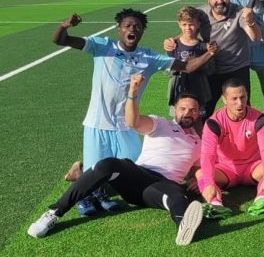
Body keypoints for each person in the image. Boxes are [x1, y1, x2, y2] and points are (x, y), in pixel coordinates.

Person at [53, 9, 215, 215]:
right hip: (97, 121)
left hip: (127, 124)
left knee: (132, 170)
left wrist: (209, 53)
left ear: (142, 31)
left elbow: (187, 66)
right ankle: (86, 194)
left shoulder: (148, 57)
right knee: (96, 175)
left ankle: (88, 178)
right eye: (128, 25)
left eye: (137, 26)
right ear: (119, 29)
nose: (132, 29)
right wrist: (64, 26)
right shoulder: (102, 46)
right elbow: (60, 40)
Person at [28, 75, 205, 246]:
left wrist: (198, 178)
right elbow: (133, 121)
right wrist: (132, 94)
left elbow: (197, 167)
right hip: (139, 175)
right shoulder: (161, 124)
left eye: (193, 110)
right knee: (109, 164)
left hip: (160, 188)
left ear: (198, 113)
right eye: (183, 108)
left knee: (177, 196)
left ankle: (183, 226)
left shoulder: (199, 142)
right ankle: (53, 213)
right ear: (175, 109)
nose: (188, 113)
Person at [166, 0, 261, 114]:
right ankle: (205, 135)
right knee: (204, 111)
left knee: (241, 110)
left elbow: (255, 37)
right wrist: (173, 40)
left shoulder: (239, 12)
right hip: (209, 70)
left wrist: (250, 21)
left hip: (236, 70)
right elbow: (189, 29)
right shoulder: (201, 13)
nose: (220, 1)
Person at [195, 79, 264, 218]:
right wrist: (209, 183)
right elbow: (208, 155)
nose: (240, 103)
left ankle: (262, 199)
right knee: (201, 174)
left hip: (253, 167)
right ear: (224, 100)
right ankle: (215, 204)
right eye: (234, 99)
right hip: (226, 170)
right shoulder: (213, 123)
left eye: (243, 97)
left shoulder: (260, 119)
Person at [166, 6, 213, 120]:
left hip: (198, 91)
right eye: (184, 24)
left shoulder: (203, 46)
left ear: (198, 24)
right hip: (179, 90)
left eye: (191, 24)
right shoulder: (173, 44)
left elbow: (209, 70)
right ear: (179, 24)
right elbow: (169, 66)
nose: (188, 28)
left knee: (197, 120)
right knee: (178, 120)